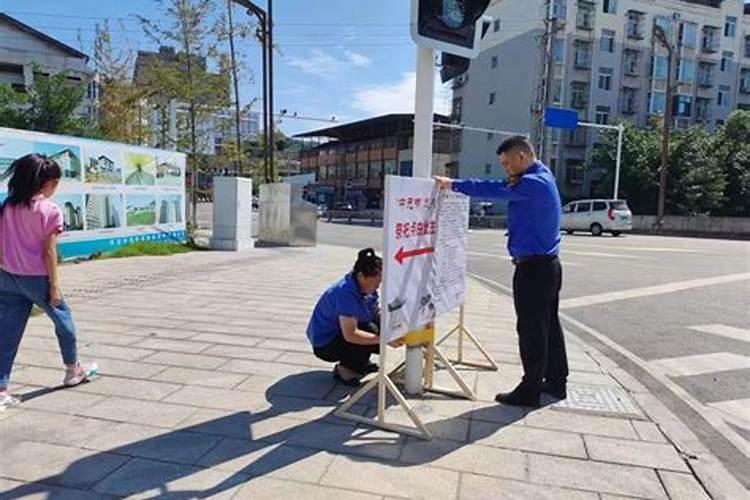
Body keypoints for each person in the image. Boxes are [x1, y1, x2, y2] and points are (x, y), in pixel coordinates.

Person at [435, 136, 568, 407]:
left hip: (534, 269)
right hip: (547, 266)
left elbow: (493, 189)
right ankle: (556, 382)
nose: (505, 169)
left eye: (507, 163)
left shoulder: (531, 182)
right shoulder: (544, 175)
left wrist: (454, 185)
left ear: (522, 157)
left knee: (531, 329)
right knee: (548, 326)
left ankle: (530, 390)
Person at [0, 154, 93, 409]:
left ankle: (1, 389)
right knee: (64, 322)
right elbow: (49, 252)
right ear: (47, 183)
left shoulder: (8, 206)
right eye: (56, 183)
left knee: (6, 334)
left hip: (7, 277)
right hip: (37, 278)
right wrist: (53, 287)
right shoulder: (50, 210)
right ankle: (72, 369)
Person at [306, 248, 391, 387]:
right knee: (370, 333)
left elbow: (375, 311)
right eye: (375, 282)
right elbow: (351, 334)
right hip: (325, 343)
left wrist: (391, 327)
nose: (377, 286)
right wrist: (383, 340)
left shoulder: (365, 288)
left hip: (341, 333)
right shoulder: (346, 293)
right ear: (361, 276)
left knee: (375, 328)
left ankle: (360, 362)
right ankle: (344, 370)